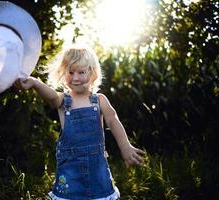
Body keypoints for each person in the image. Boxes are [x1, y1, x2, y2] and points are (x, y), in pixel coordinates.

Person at [14, 44, 145, 199]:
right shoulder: (63, 100)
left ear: (92, 73)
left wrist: (125, 146)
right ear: (64, 73)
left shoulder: (99, 100)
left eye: (81, 72)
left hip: (98, 172)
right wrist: (35, 83)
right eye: (71, 72)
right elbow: (51, 97)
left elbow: (113, 120)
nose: (75, 78)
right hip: (71, 174)